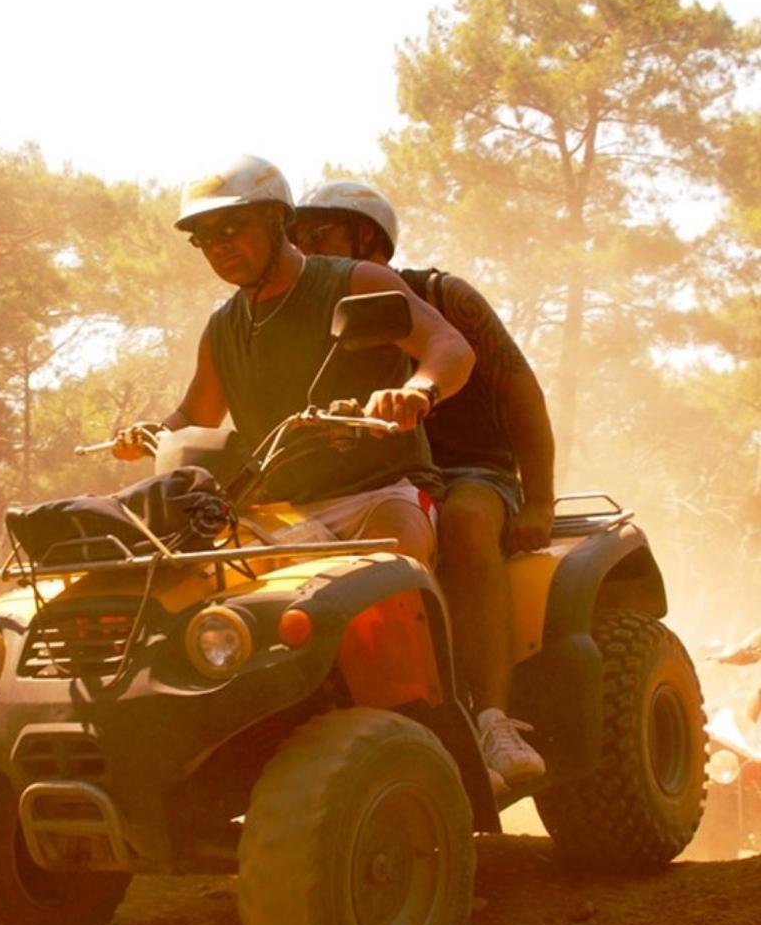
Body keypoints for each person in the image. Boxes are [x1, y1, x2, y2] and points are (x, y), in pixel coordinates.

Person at [293, 179, 554, 789]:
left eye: (321, 235)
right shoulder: (310, 316)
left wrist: (538, 498)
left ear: (369, 238)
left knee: (462, 522)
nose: (307, 250)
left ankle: (492, 722)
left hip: (471, 470)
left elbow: (522, 391)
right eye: (298, 241)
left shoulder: (443, 295)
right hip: (377, 477)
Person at [115, 154, 474, 572]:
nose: (219, 245)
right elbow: (196, 416)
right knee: (208, 589)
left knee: (393, 572)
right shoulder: (222, 328)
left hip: (382, 494)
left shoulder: (354, 282)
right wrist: (152, 436)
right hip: (278, 512)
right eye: (203, 236)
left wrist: (417, 391)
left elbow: (449, 345)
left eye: (231, 227)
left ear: (276, 219)